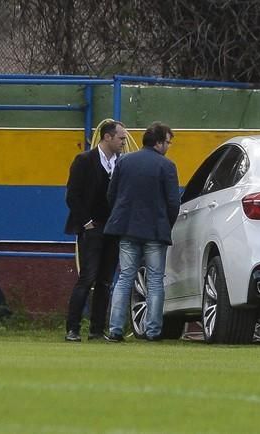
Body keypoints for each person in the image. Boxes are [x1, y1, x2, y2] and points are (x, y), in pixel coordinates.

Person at [104, 121, 180, 342]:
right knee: (155, 280)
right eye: (167, 142)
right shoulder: (167, 166)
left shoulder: (124, 161)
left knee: (125, 277)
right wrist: (167, 224)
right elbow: (173, 203)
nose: (168, 146)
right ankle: (153, 331)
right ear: (158, 143)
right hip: (155, 231)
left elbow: (112, 194)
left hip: (127, 229)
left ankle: (115, 330)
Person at [63, 121, 127, 342]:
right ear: (107, 137)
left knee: (105, 280)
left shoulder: (121, 164)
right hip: (92, 228)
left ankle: (97, 330)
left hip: (112, 229)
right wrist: (87, 222)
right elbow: (72, 195)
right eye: (121, 138)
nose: (123, 142)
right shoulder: (84, 161)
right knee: (87, 278)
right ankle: (72, 328)